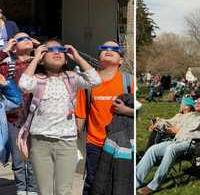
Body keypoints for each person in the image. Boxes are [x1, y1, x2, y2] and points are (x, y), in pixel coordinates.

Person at [18, 40, 101, 195]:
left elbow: (95, 80)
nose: (56, 52)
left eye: (60, 50)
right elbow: (24, 85)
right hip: (40, 141)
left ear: (66, 57)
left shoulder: (72, 78)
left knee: (63, 191)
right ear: (42, 56)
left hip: (67, 142)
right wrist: (35, 59)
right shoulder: (38, 79)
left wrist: (77, 57)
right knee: (44, 190)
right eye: (50, 50)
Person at [75, 41, 134, 195]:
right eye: (104, 48)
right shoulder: (87, 83)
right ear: (99, 56)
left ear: (121, 60)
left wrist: (126, 110)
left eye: (114, 49)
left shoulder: (129, 82)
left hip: (122, 145)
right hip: (95, 144)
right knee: (93, 183)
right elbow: (80, 116)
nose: (108, 50)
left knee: (118, 184)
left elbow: (139, 112)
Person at [0, 32, 39, 195]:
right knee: (18, 157)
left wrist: (39, 48)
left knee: (34, 156)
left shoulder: (40, 63)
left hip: (37, 116)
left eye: (29, 38)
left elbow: (57, 59)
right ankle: (21, 189)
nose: (27, 40)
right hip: (14, 117)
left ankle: (33, 189)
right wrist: (5, 50)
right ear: (14, 46)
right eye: (20, 39)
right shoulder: (8, 64)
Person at [136, 98, 200, 195]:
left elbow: (180, 130)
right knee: (153, 149)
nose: (180, 106)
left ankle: (153, 186)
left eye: (182, 104)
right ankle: (136, 181)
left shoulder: (197, 117)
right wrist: (158, 123)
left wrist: (171, 129)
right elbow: (169, 122)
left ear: (187, 106)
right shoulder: (180, 116)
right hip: (176, 141)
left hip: (190, 144)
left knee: (171, 149)